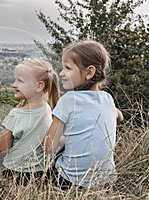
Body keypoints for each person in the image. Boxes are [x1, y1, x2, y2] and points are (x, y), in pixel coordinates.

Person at [45, 39, 124, 189]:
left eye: (68, 68)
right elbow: (119, 116)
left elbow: (49, 146)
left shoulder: (68, 100)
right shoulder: (107, 98)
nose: (61, 73)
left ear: (89, 72)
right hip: (106, 181)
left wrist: (63, 141)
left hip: (70, 182)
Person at [0, 59, 60, 185]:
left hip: (15, 172)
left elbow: (3, 146)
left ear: (39, 86)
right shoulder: (48, 110)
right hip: (41, 173)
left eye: (20, 81)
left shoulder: (15, 114)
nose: (14, 84)